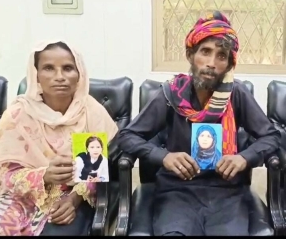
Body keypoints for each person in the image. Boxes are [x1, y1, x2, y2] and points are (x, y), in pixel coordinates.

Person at [117, 11, 281, 236]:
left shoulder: (237, 94)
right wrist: (163, 156)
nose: (212, 63)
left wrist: (244, 158)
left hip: (226, 192)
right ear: (190, 54)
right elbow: (127, 136)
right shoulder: (170, 94)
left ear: (229, 63)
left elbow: (270, 136)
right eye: (205, 52)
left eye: (221, 56)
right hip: (177, 190)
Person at [0, 40, 118, 236]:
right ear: (36, 74)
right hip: (19, 196)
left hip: (70, 194)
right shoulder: (18, 115)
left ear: (79, 74)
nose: (60, 77)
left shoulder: (90, 113)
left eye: (68, 68)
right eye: (48, 68)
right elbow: (7, 174)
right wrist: (43, 175)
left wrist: (74, 200)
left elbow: (95, 171)